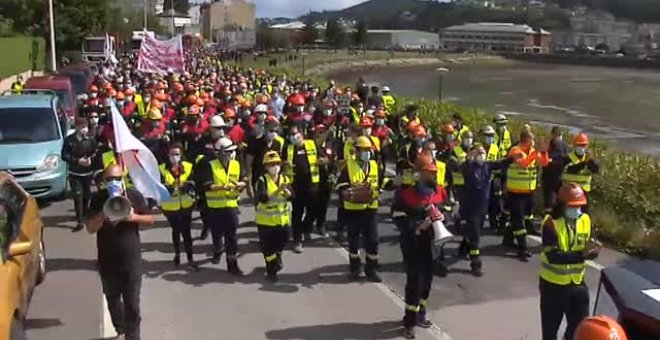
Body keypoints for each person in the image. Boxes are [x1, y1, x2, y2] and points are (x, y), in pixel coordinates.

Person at [86, 164, 155, 340]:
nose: (114, 182)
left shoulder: (133, 195)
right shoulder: (98, 198)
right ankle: (120, 328)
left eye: (117, 178)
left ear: (123, 179)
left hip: (131, 260)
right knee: (113, 300)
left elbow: (150, 219)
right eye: (110, 179)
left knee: (132, 303)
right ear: (103, 181)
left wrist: (133, 217)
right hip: (107, 260)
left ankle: (133, 336)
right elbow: (90, 228)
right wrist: (103, 213)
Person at [391, 151, 447, 339]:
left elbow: (447, 208)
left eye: (434, 171)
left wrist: (445, 216)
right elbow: (398, 218)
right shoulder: (405, 195)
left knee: (427, 282)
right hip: (413, 244)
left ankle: (421, 313)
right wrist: (417, 226)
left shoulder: (440, 191)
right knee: (414, 283)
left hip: (433, 245)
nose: (433, 175)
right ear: (420, 174)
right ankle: (409, 322)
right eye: (429, 172)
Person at [540, 183, 600, 340]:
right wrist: (582, 256)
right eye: (573, 206)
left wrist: (593, 251)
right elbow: (553, 256)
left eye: (580, 206)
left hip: (577, 283)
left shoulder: (585, 220)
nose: (577, 210)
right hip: (553, 287)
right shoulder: (551, 224)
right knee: (549, 332)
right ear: (562, 206)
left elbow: (590, 242)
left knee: (580, 328)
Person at [336, 136, 383, 282]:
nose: (366, 153)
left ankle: (372, 269)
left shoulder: (375, 165)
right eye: (363, 150)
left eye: (368, 150)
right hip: (353, 209)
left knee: (373, 240)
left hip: (371, 208)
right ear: (356, 151)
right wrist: (349, 193)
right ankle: (355, 268)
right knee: (354, 240)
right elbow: (339, 186)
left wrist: (395, 183)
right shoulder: (348, 166)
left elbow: (382, 181)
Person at [199, 137, 246, 275]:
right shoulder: (210, 165)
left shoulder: (236, 164)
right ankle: (217, 251)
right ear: (221, 153)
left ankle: (232, 265)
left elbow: (244, 179)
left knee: (231, 236)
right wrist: (221, 187)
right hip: (214, 208)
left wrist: (241, 185)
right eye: (229, 152)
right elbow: (206, 185)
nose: (232, 154)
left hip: (231, 206)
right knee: (217, 233)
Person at [504, 130, 549, 261]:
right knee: (518, 220)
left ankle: (507, 238)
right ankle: (522, 249)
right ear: (526, 140)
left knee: (521, 217)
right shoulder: (515, 151)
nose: (533, 142)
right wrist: (535, 153)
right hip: (515, 192)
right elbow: (523, 164)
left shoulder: (532, 152)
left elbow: (544, 163)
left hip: (528, 192)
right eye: (532, 140)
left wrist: (544, 152)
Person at [282, 125, 327, 253]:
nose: (293, 137)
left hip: (312, 184)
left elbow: (324, 158)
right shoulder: (288, 148)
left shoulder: (311, 144)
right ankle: (297, 240)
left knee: (314, 210)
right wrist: (284, 164)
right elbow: (280, 163)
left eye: (295, 134)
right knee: (297, 213)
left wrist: (322, 161)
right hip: (295, 185)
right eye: (291, 134)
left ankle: (306, 227)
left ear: (302, 134)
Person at [254, 151, 293, 282]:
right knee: (267, 248)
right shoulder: (262, 180)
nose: (274, 167)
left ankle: (277, 257)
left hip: (282, 221)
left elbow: (293, 196)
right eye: (271, 164)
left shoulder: (285, 179)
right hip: (266, 222)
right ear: (265, 166)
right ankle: (271, 271)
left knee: (282, 243)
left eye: (276, 164)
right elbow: (263, 198)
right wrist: (278, 191)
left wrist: (288, 193)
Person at [158, 143, 198, 271]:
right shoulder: (162, 169)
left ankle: (190, 259)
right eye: (172, 154)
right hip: (170, 206)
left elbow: (194, 181)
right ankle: (177, 254)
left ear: (181, 155)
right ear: (168, 155)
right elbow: (158, 186)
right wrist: (168, 188)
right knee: (176, 231)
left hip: (186, 204)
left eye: (177, 154)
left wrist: (187, 186)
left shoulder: (188, 166)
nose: (174, 157)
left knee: (187, 233)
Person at [61, 118, 98, 231]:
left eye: (86, 127)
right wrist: (77, 161)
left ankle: (85, 214)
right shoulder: (69, 140)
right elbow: (64, 155)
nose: (84, 130)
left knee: (86, 196)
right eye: (82, 127)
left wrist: (91, 160)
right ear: (76, 127)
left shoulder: (91, 139)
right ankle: (80, 221)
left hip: (87, 173)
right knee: (78, 196)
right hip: (75, 173)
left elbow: (95, 152)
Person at [561, 132, 599, 213]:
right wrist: (584, 163)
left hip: (584, 193)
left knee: (584, 217)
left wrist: (592, 161)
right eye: (579, 145)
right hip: (569, 192)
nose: (581, 148)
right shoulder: (568, 158)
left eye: (583, 145)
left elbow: (596, 170)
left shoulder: (588, 159)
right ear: (574, 145)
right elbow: (572, 169)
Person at [542, 126, 568, 214]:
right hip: (548, 177)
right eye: (557, 135)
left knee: (558, 201)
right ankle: (547, 219)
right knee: (549, 202)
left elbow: (564, 160)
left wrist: (552, 162)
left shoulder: (563, 146)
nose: (558, 137)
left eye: (559, 135)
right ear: (553, 135)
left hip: (558, 177)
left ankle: (555, 217)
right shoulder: (549, 146)